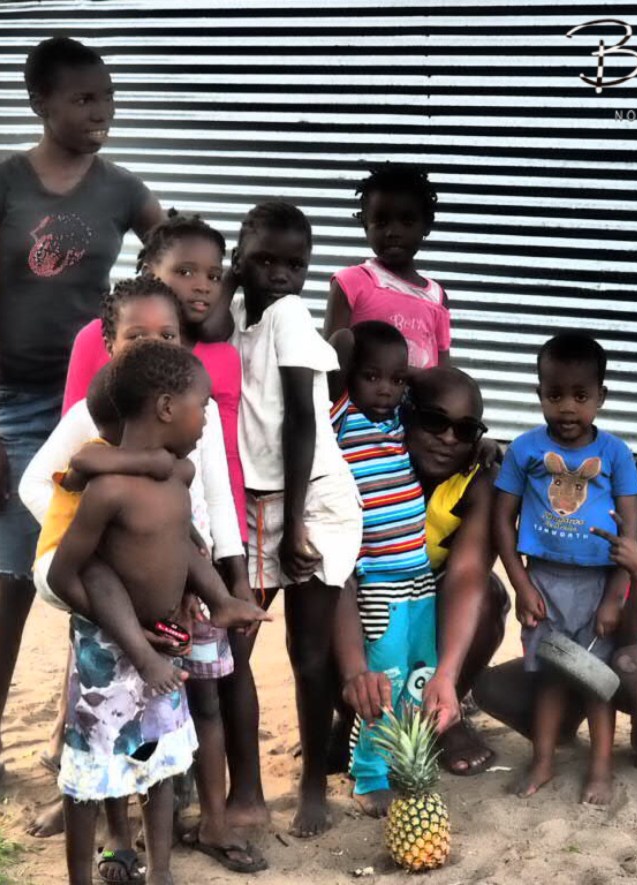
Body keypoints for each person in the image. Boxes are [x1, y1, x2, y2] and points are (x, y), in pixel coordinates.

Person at [0, 34, 163, 805]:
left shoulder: (121, 188)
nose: (100, 112)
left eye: (107, 96)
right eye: (82, 98)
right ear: (39, 102)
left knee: (94, 575)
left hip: (95, 403)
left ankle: (72, 735)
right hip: (13, 400)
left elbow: (173, 256)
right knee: (10, 575)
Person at [22, 276, 267, 874]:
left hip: (173, 607)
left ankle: (164, 856)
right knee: (102, 753)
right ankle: (112, 850)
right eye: (202, 408)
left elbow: (203, 515)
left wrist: (224, 585)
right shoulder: (103, 445)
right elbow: (72, 475)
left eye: (168, 334)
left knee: (159, 748)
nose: (209, 417)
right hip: (110, 609)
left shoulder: (178, 464)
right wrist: (121, 593)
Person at [232, 201, 363, 837]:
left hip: (309, 499)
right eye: (265, 261)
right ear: (239, 257)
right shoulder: (233, 311)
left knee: (308, 655)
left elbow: (304, 422)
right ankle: (241, 783)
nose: (281, 275)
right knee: (231, 649)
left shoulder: (288, 315)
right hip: (256, 502)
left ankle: (313, 783)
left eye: (296, 265)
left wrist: (293, 529)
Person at [473, 439, 637, 776]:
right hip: (584, 651)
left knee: (627, 662)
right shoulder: (597, 531)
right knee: (491, 688)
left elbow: (631, 636)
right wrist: (496, 454)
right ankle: (563, 725)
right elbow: (555, 486)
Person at [492, 332, 637, 805]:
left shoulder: (616, 454)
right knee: (552, 677)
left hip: (596, 585)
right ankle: (543, 761)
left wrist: (614, 596)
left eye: (581, 396)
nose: (568, 408)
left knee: (595, 680)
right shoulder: (524, 450)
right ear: (539, 394)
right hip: (544, 583)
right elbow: (502, 518)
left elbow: (629, 532)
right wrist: (520, 584)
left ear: (601, 396)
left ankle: (600, 768)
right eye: (555, 395)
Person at [328, 322, 439, 817]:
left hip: (419, 576)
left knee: (419, 676)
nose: (386, 388)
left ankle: (400, 760)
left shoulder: (398, 420)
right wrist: (355, 365)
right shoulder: (343, 417)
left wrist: (404, 378)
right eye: (372, 377)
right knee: (383, 681)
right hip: (376, 581)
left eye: (396, 379)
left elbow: (433, 385)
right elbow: (339, 350)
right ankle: (368, 774)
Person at [404, 367, 508, 775]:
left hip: (436, 603)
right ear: (406, 415)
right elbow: (343, 345)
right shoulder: (374, 460)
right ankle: (353, 717)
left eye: (465, 430)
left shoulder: (477, 483)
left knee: (489, 596)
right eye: (434, 421)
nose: (449, 438)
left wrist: (446, 675)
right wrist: (405, 375)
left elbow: (467, 572)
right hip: (372, 603)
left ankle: (444, 715)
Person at [324, 166, 450, 369]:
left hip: (417, 401)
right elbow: (329, 362)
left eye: (407, 221)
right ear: (366, 225)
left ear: (426, 225)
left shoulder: (437, 297)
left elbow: (443, 374)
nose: (393, 232)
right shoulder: (350, 282)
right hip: (358, 402)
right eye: (381, 222)